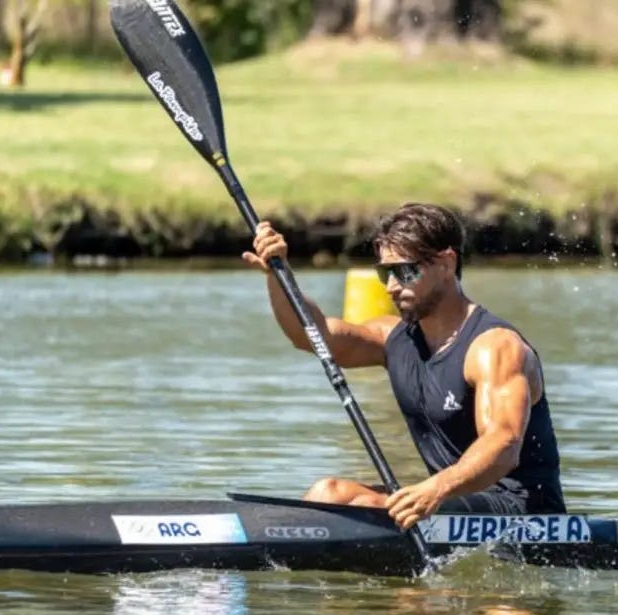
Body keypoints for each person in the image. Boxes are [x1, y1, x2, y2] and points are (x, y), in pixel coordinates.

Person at [242, 202, 566, 530]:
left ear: (446, 263)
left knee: (371, 506)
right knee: (329, 492)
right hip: (447, 499)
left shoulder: (494, 347)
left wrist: (434, 489)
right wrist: (278, 275)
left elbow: (503, 443)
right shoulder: (393, 339)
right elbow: (313, 335)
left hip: (521, 513)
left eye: (405, 272)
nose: (391, 286)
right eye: (386, 273)